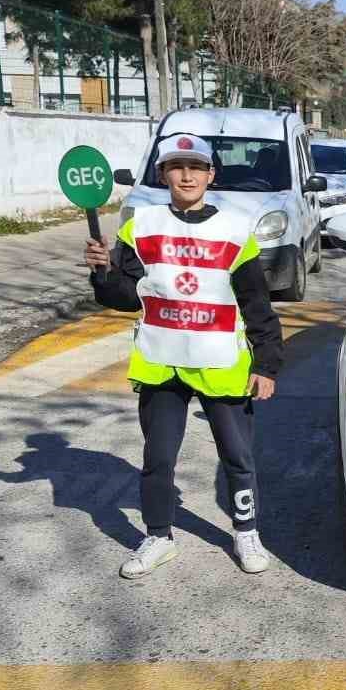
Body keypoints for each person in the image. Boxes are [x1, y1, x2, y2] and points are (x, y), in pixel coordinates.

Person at [84, 133, 283, 581]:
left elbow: (257, 305)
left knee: (238, 457)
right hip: (162, 362)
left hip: (221, 364)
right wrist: (103, 273)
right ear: (163, 175)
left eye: (196, 166)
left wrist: (266, 365)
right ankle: (158, 536)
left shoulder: (235, 231)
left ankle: (246, 532)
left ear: (211, 175)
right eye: (177, 166)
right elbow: (124, 296)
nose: (187, 174)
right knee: (159, 459)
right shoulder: (141, 227)